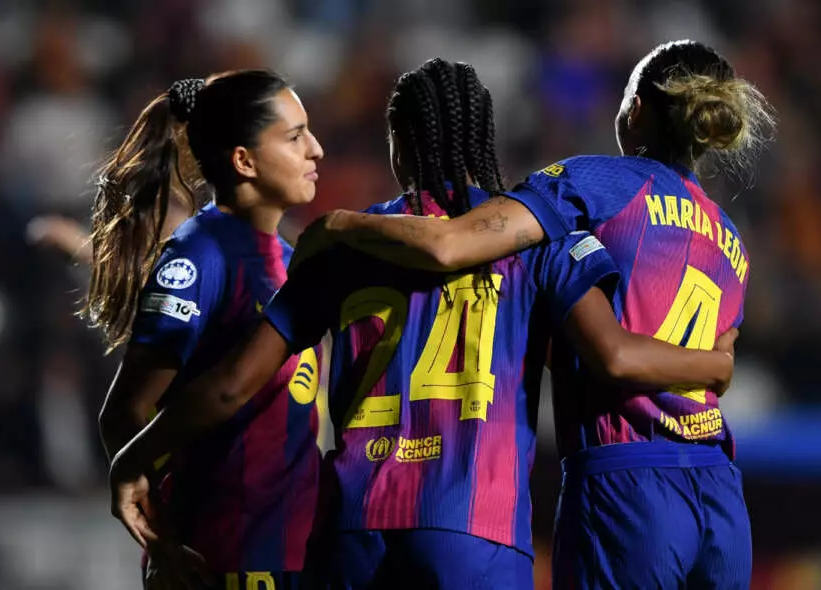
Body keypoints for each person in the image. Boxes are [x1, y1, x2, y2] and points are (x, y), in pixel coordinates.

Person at [108, 57, 737, 590]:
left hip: (355, 528)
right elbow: (612, 353)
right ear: (483, 136)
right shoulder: (538, 240)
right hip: (478, 532)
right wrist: (714, 363)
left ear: (400, 144)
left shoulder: (343, 246)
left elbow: (230, 384)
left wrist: (137, 459)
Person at [293, 41, 775, 589]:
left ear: (636, 109)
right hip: (719, 493)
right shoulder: (732, 241)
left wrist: (339, 226)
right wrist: (713, 368)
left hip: (628, 483)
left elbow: (452, 244)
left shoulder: (593, 184)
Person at [87, 71, 325, 590]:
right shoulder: (201, 254)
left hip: (289, 551)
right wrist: (166, 541)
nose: (316, 149)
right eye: (295, 136)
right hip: (222, 556)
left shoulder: (288, 257)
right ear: (244, 160)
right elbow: (123, 410)